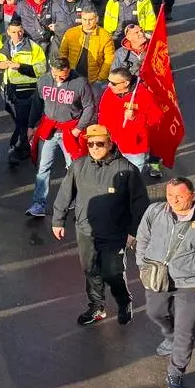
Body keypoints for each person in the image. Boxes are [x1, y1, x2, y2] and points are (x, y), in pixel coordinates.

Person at [52, 125, 149, 327]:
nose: (94, 147)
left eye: (99, 143)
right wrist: (57, 220)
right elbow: (64, 194)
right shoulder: (78, 166)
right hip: (86, 231)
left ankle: (124, 303)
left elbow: (140, 204)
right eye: (90, 144)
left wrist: (134, 232)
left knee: (113, 274)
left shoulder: (127, 170)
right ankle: (97, 307)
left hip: (115, 233)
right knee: (91, 271)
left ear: (110, 143)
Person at [136, 178, 195, 388]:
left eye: (179, 196)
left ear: (193, 195)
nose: (173, 201)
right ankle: (169, 336)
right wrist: (142, 265)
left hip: (190, 282)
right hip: (157, 277)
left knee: (186, 330)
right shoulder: (155, 211)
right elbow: (143, 238)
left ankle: (176, 371)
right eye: (169, 195)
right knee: (155, 313)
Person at [27, 58, 95, 218]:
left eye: (63, 76)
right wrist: (31, 125)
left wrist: (79, 129)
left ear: (69, 70)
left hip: (70, 130)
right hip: (50, 129)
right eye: (56, 75)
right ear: (51, 69)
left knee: (73, 167)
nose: (59, 79)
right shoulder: (43, 80)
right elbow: (37, 103)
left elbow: (89, 106)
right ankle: (38, 204)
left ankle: (73, 200)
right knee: (43, 168)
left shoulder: (80, 82)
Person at [0, 19, 48, 167]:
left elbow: (41, 69)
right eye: (13, 32)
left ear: (23, 31)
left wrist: (20, 66)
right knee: (20, 122)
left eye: (19, 31)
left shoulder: (33, 47)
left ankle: (16, 149)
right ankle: (24, 147)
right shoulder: (5, 46)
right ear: (8, 32)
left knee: (22, 122)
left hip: (27, 89)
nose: (17, 35)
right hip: (8, 89)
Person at [98, 67, 161, 171]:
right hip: (112, 144)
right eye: (109, 81)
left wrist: (135, 117)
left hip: (133, 146)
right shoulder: (109, 92)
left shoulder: (143, 94)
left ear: (126, 83)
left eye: (113, 83)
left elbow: (156, 118)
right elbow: (102, 114)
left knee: (133, 178)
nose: (109, 85)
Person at [59, 4, 115, 87]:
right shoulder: (70, 33)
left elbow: (109, 59)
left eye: (91, 19)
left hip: (93, 80)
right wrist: (65, 72)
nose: (87, 23)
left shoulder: (105, 36)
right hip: (72, 77)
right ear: (81, 19)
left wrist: (100, 78)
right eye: (84, 19)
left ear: (96, 19)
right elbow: (62, 54)